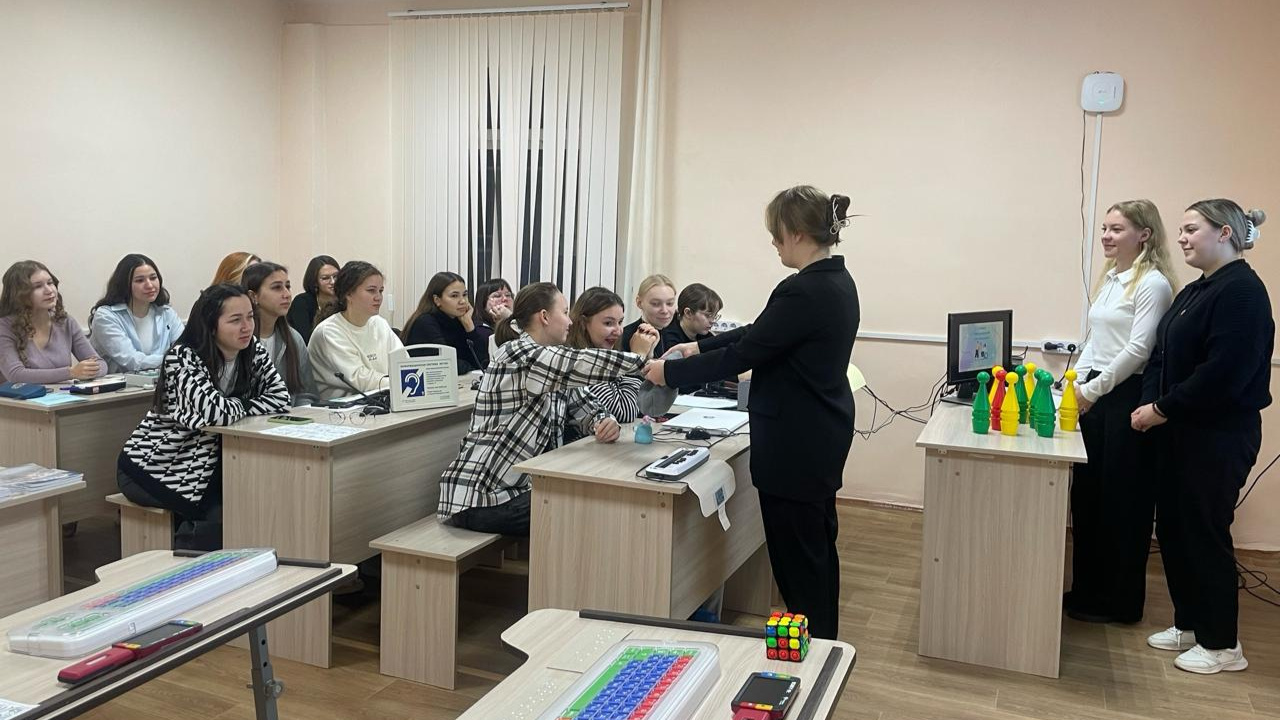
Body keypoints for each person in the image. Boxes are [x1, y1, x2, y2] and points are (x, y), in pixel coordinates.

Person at [642, 185, 859, 640]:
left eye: (777, 234)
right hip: (820, 433)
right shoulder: (835, 281)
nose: (774, 243)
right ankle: (821, 640)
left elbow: (747, 352)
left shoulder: (805, 290)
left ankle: (814, 647)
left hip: (796, 442)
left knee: (800, 558)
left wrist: (669, 372)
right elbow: (757, 333)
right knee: (815, 549)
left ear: (797, 233)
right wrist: (698, 346)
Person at [1132, 200, 1271, 674]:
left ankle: (1222, 645)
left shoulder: (1243, 292)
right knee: (1175, 531)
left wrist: (1161, 408)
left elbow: (1223, 373)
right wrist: (1151, 402)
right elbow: (1161, 354)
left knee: (1204, 533)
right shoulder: (1197, 288)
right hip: (1178, 431)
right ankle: (1190, 623)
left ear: (1225, 233)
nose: (1182, 238)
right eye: (1182, 230)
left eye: (1192, 229)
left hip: (1217, 436)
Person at [436, 282, 652, 536]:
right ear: (545, 317)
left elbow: (586, 406)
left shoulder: (552, 359)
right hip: (483, 498)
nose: (570, 321)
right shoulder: (517, 354)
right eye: (565, 312)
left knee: (590, 499)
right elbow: (580, 363)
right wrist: (640, 359)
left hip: (518, 490)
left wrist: (604, 421)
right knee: (588, 505)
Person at [1064, 200, 1177, 625]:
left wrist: (1091, 392)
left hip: (1125, 395)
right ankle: (1088, 590)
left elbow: (1137, 350)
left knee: (1121, 502)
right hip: (1096, 392)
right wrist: (1073, 385)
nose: (1106, 236)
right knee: (1088, 497)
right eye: (1104, 229)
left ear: (1144, 234)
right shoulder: (1112, 278)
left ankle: (1120, 603)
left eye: (1116, 229)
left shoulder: (1152, 284)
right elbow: (1096, 340)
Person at [117, 284, 290, 550]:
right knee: (225, 515)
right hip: (161, 464)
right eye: (235, 320)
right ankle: (189, 558)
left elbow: (281, 398)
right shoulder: (183, 356)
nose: (247, 327)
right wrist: (245, 405)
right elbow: (214, 413)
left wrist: (235, 406)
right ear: (211, 325)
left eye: (250, 317)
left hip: (211, 461)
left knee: (258, 498)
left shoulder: (252, 349)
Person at [564, 286, 660, 441]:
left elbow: (651, 404)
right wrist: (636, 358)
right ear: (583, 323)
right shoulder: (582, 362)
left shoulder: (606, 353)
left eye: (620, 322)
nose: (618, 330)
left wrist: (647, 359)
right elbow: (624, 412)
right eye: (608, 323)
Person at [308, 261, 403, 399]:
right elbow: (359, 379)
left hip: (382, 400)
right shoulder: (329, 332)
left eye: (380, 291)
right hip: (340, 408)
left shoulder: (380, 324)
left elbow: (403, 364)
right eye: (371, 290)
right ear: (349, 294)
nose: (378, 297)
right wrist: (402, 383)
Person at [0, 260, 106, 384]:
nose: (49, 290)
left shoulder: (65, 322)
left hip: (62, 395)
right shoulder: (4, 327)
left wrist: (89, 370)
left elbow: (101, 364)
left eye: (50, 283)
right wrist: (71, 373)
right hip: (17, 396)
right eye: (38, 286)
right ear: (18, 294)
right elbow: (15, 375)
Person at [89, 254, 185, 373]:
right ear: (125, 284)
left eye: (153, 278)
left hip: (163, 381)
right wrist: (174, 360)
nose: (149, 285)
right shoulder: (105, 316)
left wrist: (181, 358)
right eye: (140, 280)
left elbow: (185, 349)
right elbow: (132, 361)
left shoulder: (166, 312)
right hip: (122, 383)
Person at [242, 261, 317, 405]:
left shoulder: (293, 338)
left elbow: (306, 393)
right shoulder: (241, 339)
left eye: (287, 287)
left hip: (289, 416)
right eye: (277, 287)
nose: (287, 294)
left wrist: (300, 414)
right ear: (253, 296)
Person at [402, 272, 489, 373]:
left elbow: (483, 362)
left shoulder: (461, 319)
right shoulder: (425, 322)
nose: (463, 301)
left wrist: (470, 328)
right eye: (454, 296)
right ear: (437, 300)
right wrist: (469, 366)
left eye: (464, 295)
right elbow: (446, 363)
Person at [660, 282, 727, 394]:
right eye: (708, 315)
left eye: (715, 316)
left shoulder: (706, 337)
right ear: (688, 313)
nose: (712, 321)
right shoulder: (668, 338)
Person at [620, 274, 677, 356]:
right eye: (656, 304)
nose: (664, 311)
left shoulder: (678, 334)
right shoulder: (624, 337)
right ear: (639, 303)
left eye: (670, 303)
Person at [287, 255, 340, 343]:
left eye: (336, 276)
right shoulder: (302, 302)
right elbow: (304, 340)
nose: (333, 282)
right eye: (325, 278)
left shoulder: (345, 300)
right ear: (315, 282)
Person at [472, 278, 514, 344]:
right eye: (497, 296)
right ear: (483, 302)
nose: (505, 299)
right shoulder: (481, 330)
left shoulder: (520, 323)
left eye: (508, 295)